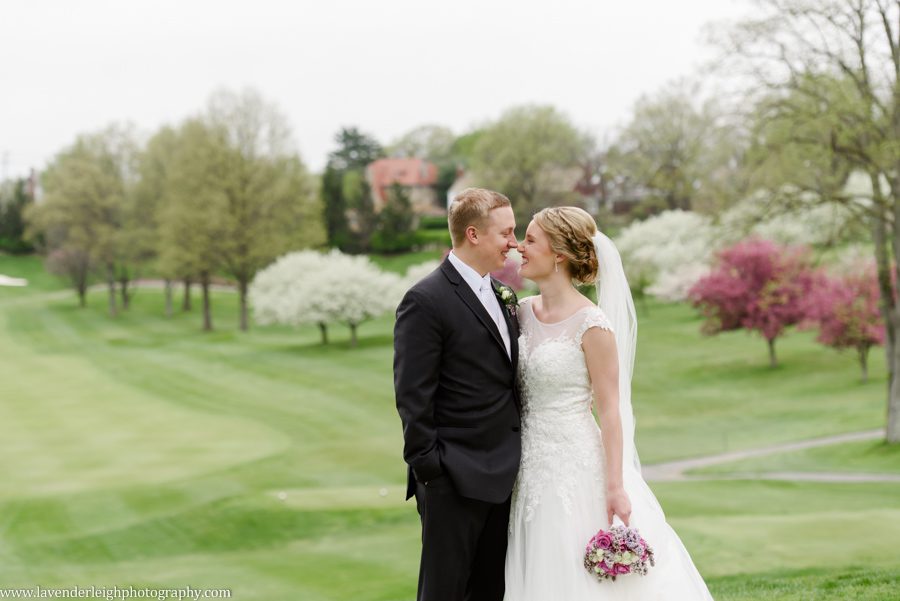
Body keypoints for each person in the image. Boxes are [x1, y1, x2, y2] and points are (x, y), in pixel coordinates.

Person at [504, 206, 714, 600]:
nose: (519, 246)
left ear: (559, 254)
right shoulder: (521, 312)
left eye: (530, 240)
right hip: (527, 465)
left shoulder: (592, 324)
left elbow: (611, 410)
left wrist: (615, 485)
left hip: (576, 464)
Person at [394, 188, 522, 601]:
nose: (514, 242)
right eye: (506, 232)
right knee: (444, 592)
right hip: (452, 479)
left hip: (503, 476)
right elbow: (413, 396)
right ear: (473, 234)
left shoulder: (502, 295)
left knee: (490, 591)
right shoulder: (425, 300)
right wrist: (432, 472)